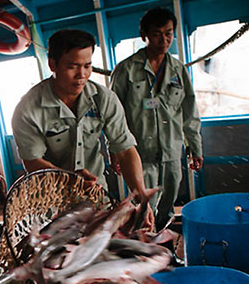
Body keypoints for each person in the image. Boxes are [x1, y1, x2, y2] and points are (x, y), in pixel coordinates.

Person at [11, 29, 152, 216]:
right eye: (73, 66)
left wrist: (141, 196)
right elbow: (33, 161)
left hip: (96, 196)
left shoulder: (104, 99)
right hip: (51, 203)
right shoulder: (28, 109)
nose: (82, 75)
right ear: (53, 64)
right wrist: (70, 179)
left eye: (87, 65)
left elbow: (125, 150)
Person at [110, 7, 203, 230]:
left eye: (169, 33)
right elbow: (112, 116)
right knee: (142, 207)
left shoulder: (178, 70)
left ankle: (163, 247)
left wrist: (195, 147)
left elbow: (189, 112)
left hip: (171, 152)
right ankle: (143, 250)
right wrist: (115, 152)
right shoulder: (126, 70)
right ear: (145, 35)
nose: (164, 39)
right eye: (157, 33)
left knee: (167, 206)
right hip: (138, 154)